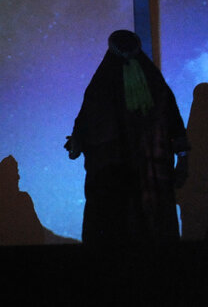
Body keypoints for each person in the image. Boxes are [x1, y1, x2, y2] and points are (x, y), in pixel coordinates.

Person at [67, 30, 189, 245]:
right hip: (149, 179)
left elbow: (86, 123)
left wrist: (77, 143)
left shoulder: (102, 83)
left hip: (113, 179)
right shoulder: (154, 83)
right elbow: (175, 123)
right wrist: (182, 159)